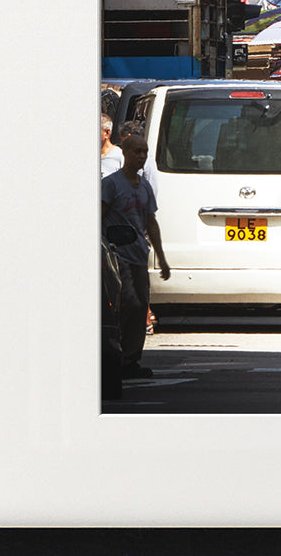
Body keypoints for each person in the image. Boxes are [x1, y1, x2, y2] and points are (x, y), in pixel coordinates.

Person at [101, 133, 170, 378]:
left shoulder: (145, 187)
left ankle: (131, 359)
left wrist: (161, 257)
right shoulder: (111, 184)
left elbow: (151, 222)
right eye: (136, 152)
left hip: (140, 254)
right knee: (127, 304)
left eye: (144, 152)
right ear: (125, 153)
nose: (141, 156)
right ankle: (117, 358)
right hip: (118, 256)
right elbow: (99, 216)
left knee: (140, 307)